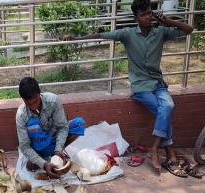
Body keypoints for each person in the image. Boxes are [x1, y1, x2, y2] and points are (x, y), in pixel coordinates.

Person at [62, 0, 193, 177]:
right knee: (164, 110)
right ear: (136, 18)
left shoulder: (160, 32)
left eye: (149, 13)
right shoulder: (128, 34)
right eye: (144, 14)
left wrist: (168, 21)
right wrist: (76, 39)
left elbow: (189, 30)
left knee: (167, 107)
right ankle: (167, 150)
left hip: (158, 84)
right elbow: (102, 35)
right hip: (140, 87)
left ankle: (154, 149)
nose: (148, 17)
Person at [16, 77, 85, 179]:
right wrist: (43, 164)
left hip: (53, 139)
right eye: (29, 104)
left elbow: (62, 127)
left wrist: (58, 149)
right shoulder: (21, 114)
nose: (33, 107)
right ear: (23, 99)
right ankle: (40, 158)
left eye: (35, 102)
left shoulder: (53, 100)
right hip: (37, 145)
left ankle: (55, 155)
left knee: (79, 124)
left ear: (39, 93)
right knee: (33, 124)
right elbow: (25, 146)